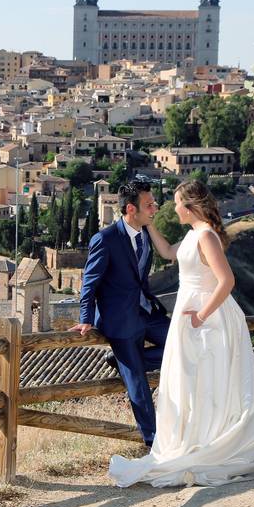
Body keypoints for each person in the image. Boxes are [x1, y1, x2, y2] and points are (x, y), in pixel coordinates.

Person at [108, 179, 254, 488]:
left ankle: (213, 443)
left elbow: (226, 281)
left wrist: (201, 315)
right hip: (189, 317)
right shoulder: (192, 235)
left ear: (189, 207)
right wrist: (144, 224)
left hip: (207, 318)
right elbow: (166, 251)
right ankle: (198, 440)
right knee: (190, 381)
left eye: (176, 203)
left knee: (209, 379)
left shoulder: (207, 237)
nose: (172, 209)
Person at [71, 181, 170, 449]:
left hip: (148, 312)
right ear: (130, 208)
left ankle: (123, 361)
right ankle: (154, 444)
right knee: (137, 383)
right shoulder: (105, 239)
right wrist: (85, 319)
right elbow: (89, 283)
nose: (155, 209)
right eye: (149, 205)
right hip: (120, 320)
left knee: (184, 343)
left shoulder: (146, 233)